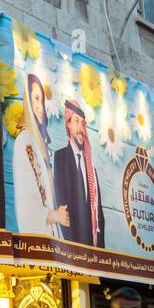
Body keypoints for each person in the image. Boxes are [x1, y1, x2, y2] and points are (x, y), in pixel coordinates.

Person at [13, 73, 70, 236]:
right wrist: (56, 215)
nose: (40, 106)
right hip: (37, 245)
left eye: (42, 100)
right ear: (27, 101)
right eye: (36, 98)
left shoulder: (37, 145)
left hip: (50, 241)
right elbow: (28, 204)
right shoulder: (25, 141)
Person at [52, 99, 105, 247]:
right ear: (68, 124)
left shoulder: (91, 170)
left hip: (93, 255)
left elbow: (99, 215)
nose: (81, 128)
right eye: (76, 121)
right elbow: (61, 205)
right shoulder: (59, 158)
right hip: (70, 252)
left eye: (83, 123)